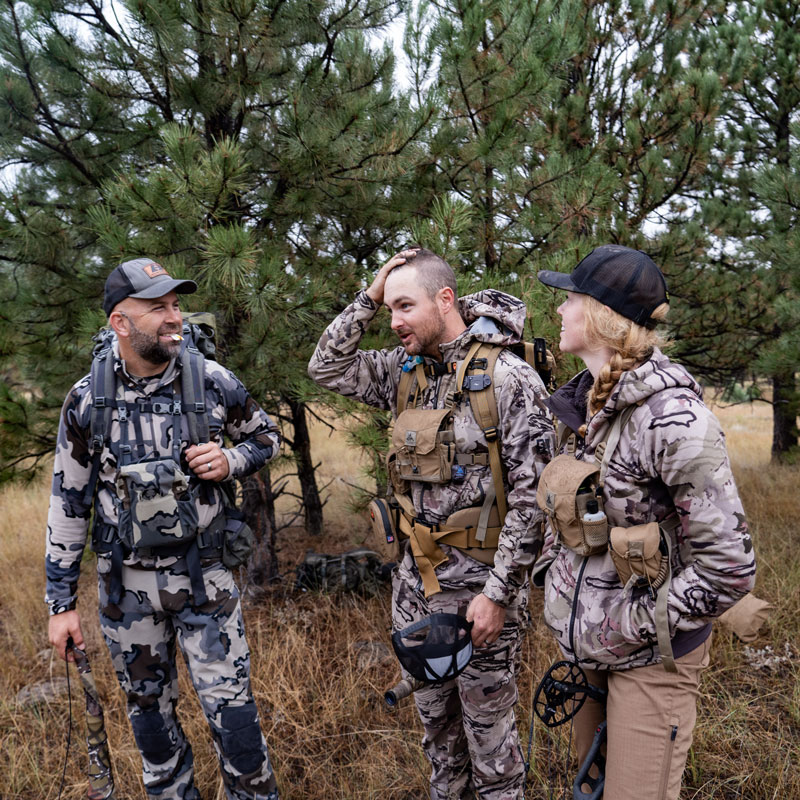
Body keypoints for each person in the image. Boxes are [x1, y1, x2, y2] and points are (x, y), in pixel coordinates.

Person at [308, 247, 555, 799]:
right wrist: (369, 295)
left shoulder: (508, 379)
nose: (394, 321)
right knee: (440, 745)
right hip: (415, 592)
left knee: (491, 751)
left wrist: (498, 596)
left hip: (480, 599)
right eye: (388, 309)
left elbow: (533, 500)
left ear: (445, 300)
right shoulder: (404, 371)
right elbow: (326, 367)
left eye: (405, 306)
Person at [46, 258, 282, 800]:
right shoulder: (87, 399)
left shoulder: (212, 380)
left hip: (206, 582)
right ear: (120, 323)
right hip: (125, 592)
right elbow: (68, 503)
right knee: (151, 728)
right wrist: (60, 605)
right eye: (158, 308)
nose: (174, 316)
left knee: (237, 727)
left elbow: (265, 438)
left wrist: (230, 460)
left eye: (176, 304)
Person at [532, 245, 756, 800]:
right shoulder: (582, 407)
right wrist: (553, 581)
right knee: (592, 789)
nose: (559, 310)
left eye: (570, 299)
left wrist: (631, 623)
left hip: (652, 659)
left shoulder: (675, 421)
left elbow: (729, 569)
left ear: (601, 316)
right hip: (587, 650)